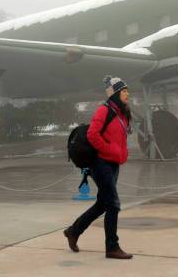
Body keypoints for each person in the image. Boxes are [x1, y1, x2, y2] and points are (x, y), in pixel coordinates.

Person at [64, 76, 133, 259]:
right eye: (123, 91)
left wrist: (122, 155)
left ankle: (73, 231)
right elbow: (93, 135)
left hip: (114, 163)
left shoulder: (123, 113)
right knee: (113, 204)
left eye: (127, 90)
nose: (127, 94)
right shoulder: (104, 111)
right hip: (100, 163)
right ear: (115, 94)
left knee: (103, 204)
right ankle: (112, 247)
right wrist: (109, 151)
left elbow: (122, 138)